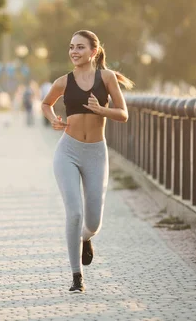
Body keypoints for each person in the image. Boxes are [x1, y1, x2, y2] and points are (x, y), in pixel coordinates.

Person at [41, 30, 133, 292]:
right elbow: (46, 104)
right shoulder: (63, 81)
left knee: (93, 222)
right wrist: (53, 120)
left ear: (93, 51)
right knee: (74, 213)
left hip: (95, 153)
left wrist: (101, 110)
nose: (74, 52)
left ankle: (85, 238)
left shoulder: (106, 78)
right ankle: (76, 277)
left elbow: (123, 114)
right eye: (71, 47)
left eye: (80, 47)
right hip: (67, 151)